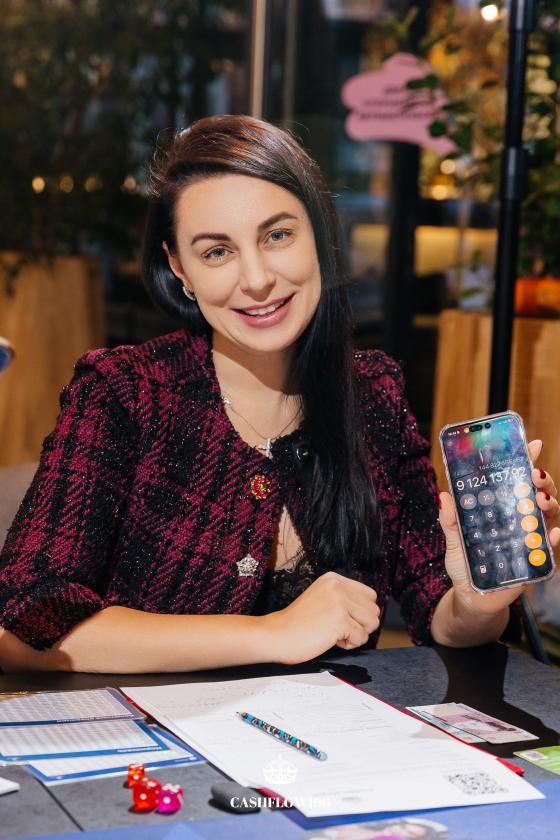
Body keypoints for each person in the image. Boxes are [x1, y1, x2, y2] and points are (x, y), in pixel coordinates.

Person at [0, 115, 558, 673]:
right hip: (157, 727)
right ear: (180, 269)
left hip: (336, 727)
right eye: (217, 252)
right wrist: (271, 634)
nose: (257, 279)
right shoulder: (125, 393)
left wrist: (477, 599)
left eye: (277, 236)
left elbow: (439, 615)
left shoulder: (372, 393)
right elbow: (21, 625)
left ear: (318, 236)